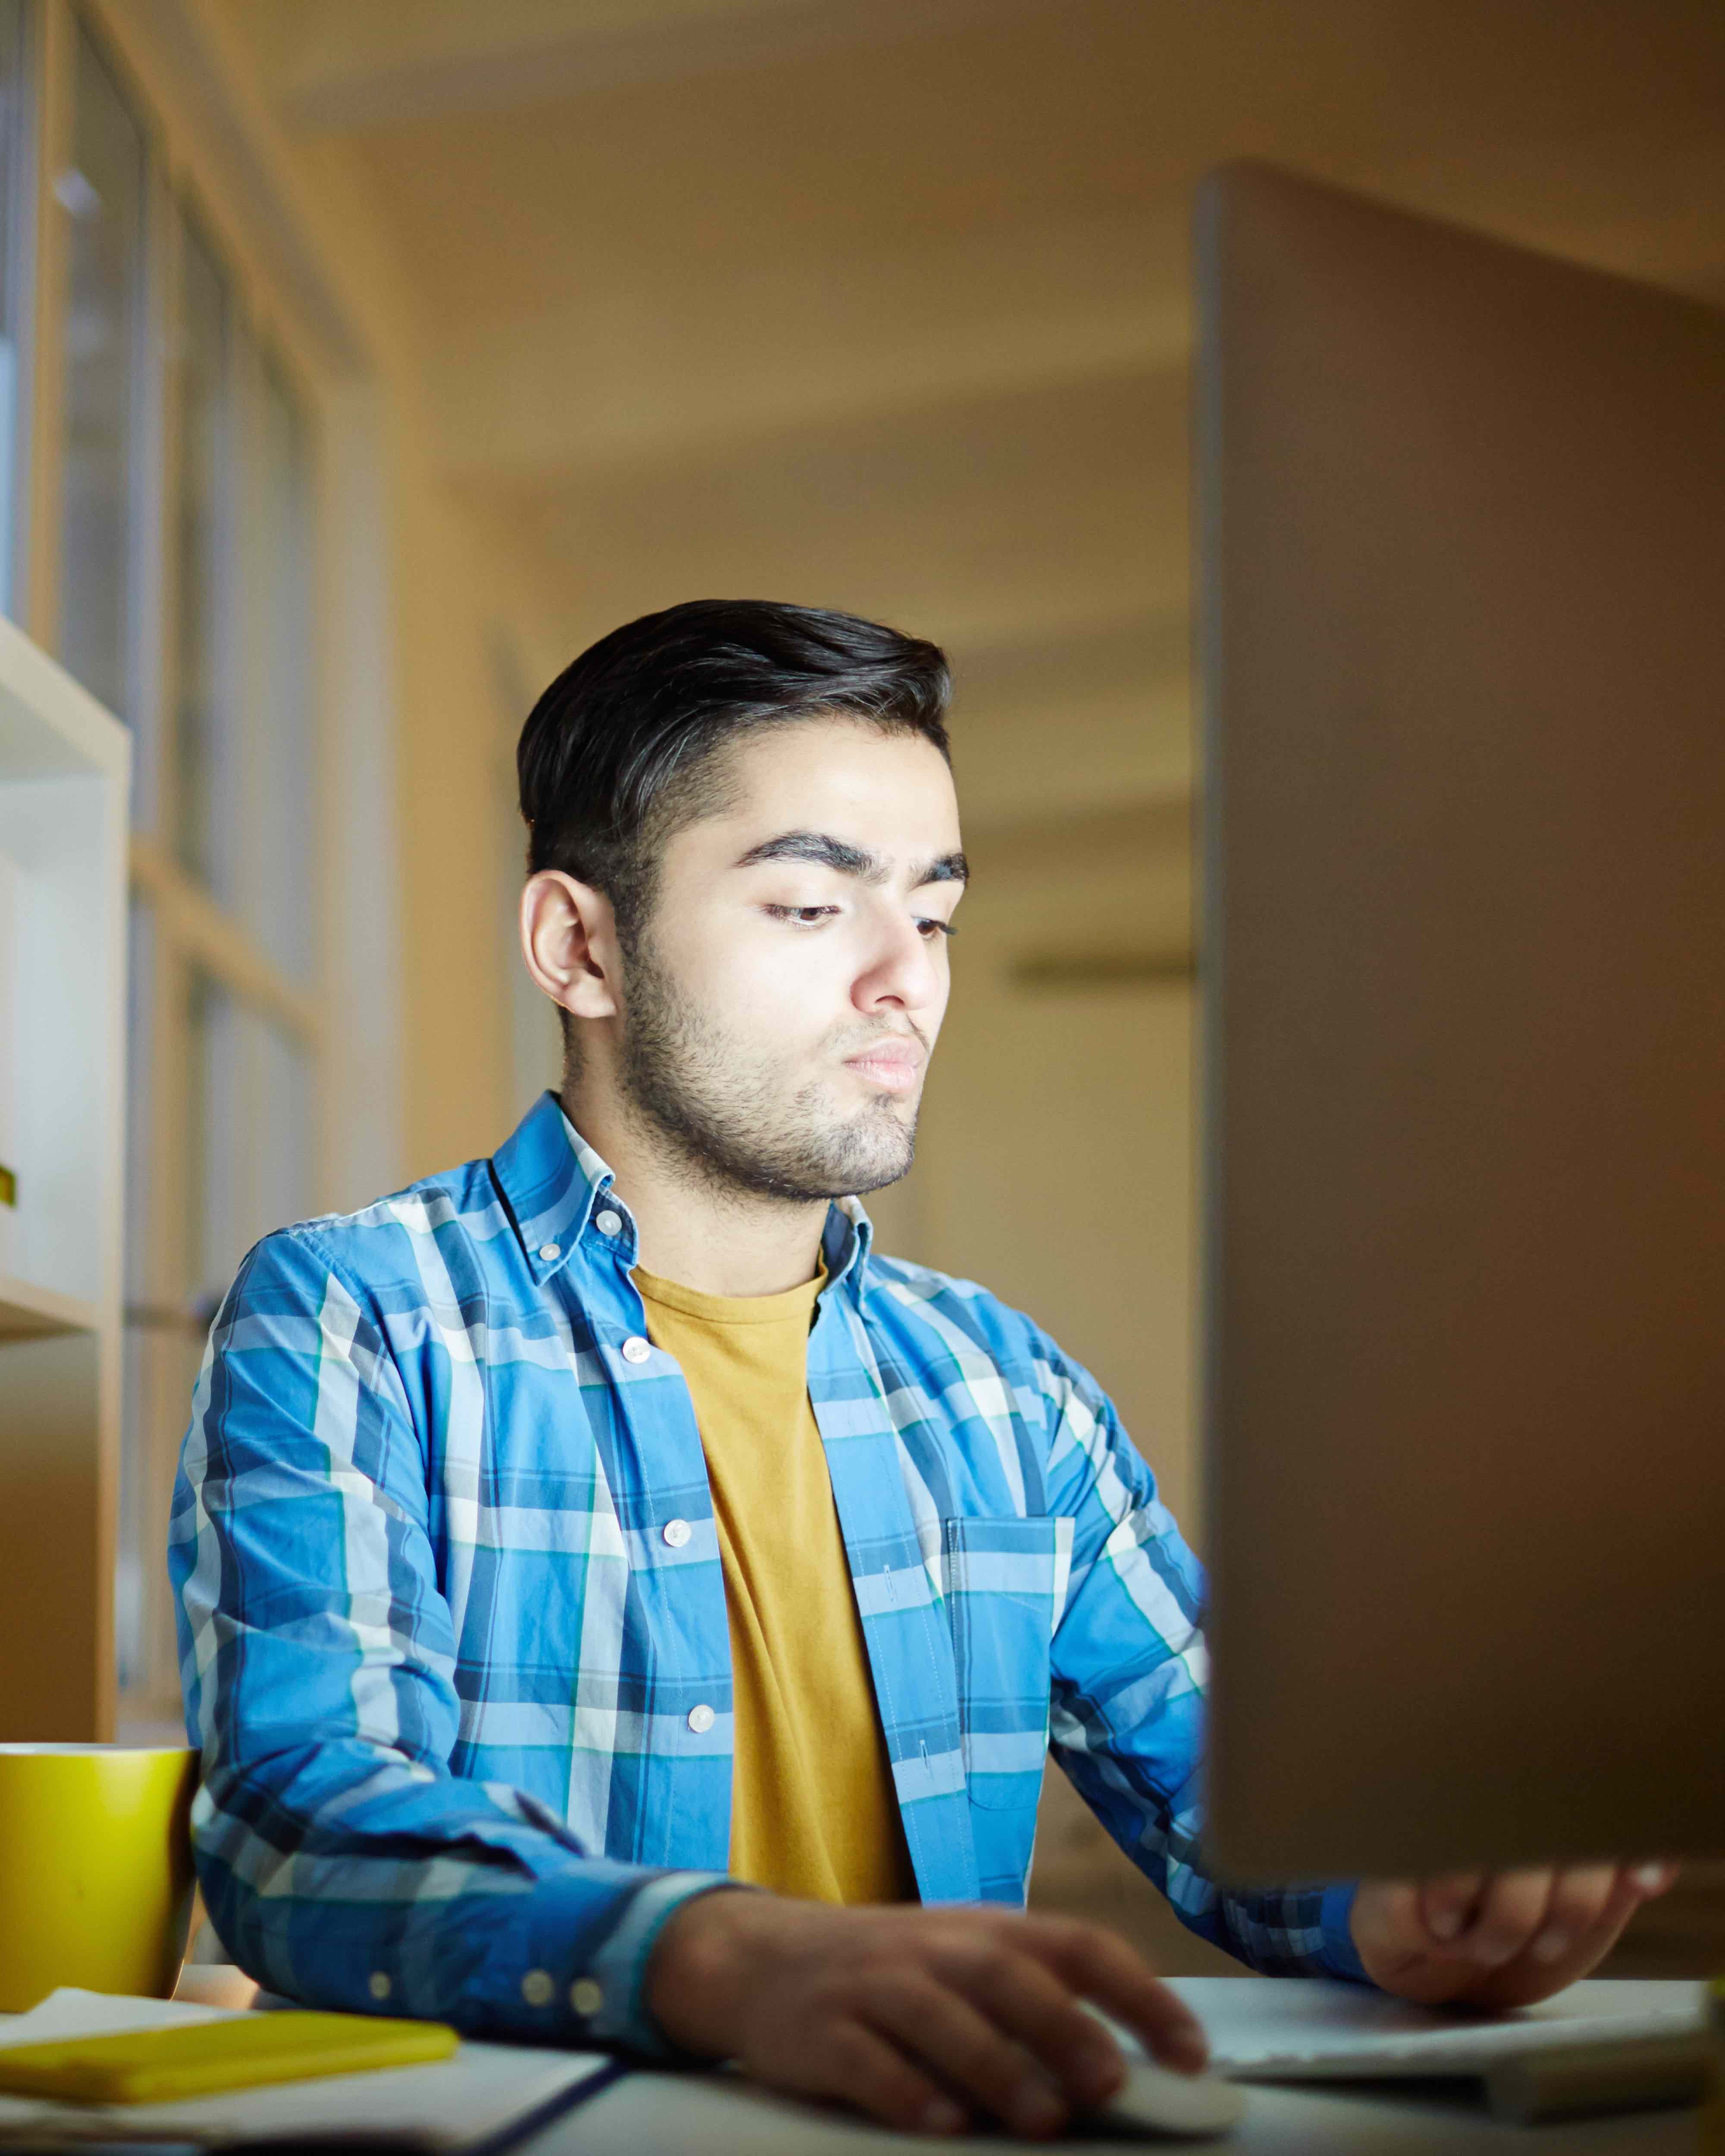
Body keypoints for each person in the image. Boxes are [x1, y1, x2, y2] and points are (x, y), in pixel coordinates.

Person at [170, 600, 1675, 2141]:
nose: (908, 980)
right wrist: (722, 1957)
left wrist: (1402, 1903)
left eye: (936, 912)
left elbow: (1235, 1791)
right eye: (815, 910)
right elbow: (309, 1830)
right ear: (581, 945)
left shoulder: (1008, 1396)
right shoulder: (357, 1313)